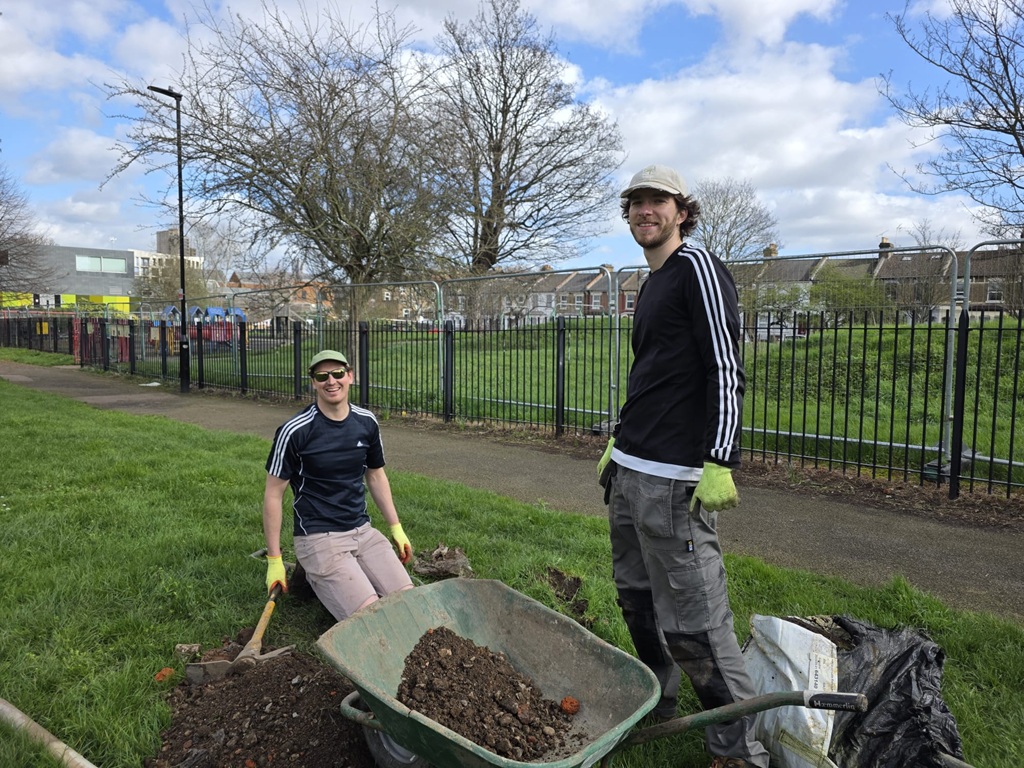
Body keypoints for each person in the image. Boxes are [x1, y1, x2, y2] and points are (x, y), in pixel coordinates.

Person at [598, 165, 769, 768]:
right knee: (637, 603)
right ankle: (660, 700)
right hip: (628, 472)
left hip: (674, 482)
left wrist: (720, 458)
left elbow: (724, 366)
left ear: (681, 211)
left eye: (658, 202)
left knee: (695, 623)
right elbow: (656, 374)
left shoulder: (696, 267)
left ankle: (739, 749)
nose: (646, 210)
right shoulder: (652, 284)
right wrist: (618, 441)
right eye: (636, 203)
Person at [262, 349, 414, 622]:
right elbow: (274, 494)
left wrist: (396, 528)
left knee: (408, 600)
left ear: (350, 376)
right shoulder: (295, 430)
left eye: (338, 373)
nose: (331, 381)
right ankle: (320, 578)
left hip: (363, 532)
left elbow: (376, 475)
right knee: (371, 616)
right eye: (322, 376)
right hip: (319, 538)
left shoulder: (366, 422)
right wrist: (274, 559)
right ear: (313, 382)